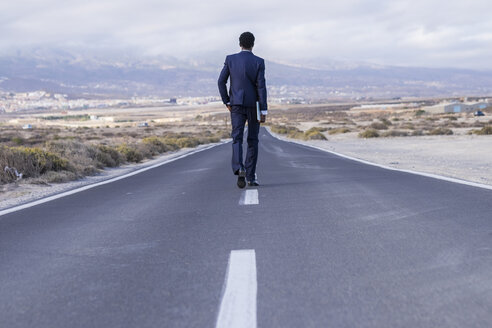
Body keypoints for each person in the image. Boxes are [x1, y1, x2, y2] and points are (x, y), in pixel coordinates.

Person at [218, 31, 268, 189]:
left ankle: (239, 167)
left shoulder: (230, 59)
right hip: (254, 106)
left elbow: (221, 82)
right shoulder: (259, 62)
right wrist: (264, 110)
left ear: (240, 44)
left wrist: (226, 100)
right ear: (253, 44)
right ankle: (251, 177)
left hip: (236, 105)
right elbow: (261, 87)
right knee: (253, 140)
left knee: (237, 138)